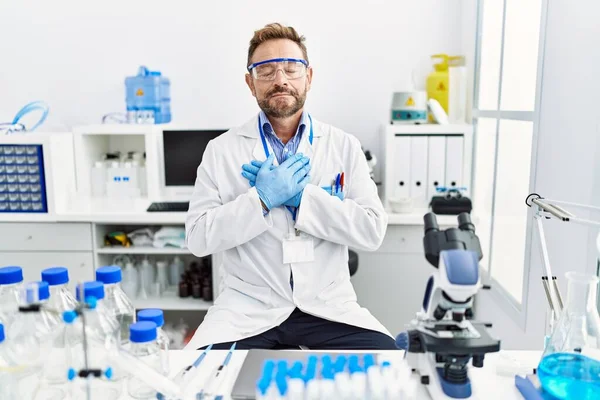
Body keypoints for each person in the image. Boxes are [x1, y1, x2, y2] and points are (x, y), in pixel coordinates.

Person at [185, 22, 395, 350]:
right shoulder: (221, 150)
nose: (280, 79)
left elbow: (372, 231)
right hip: (247, 310)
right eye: (265, 71)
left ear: (308, 77)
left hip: (328, 308)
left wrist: (303, 200)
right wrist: (262, 199)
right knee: (200, 377)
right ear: (250, 83)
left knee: (387, 367)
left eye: (291, 68)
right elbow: (198, 237)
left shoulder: (343, 146)